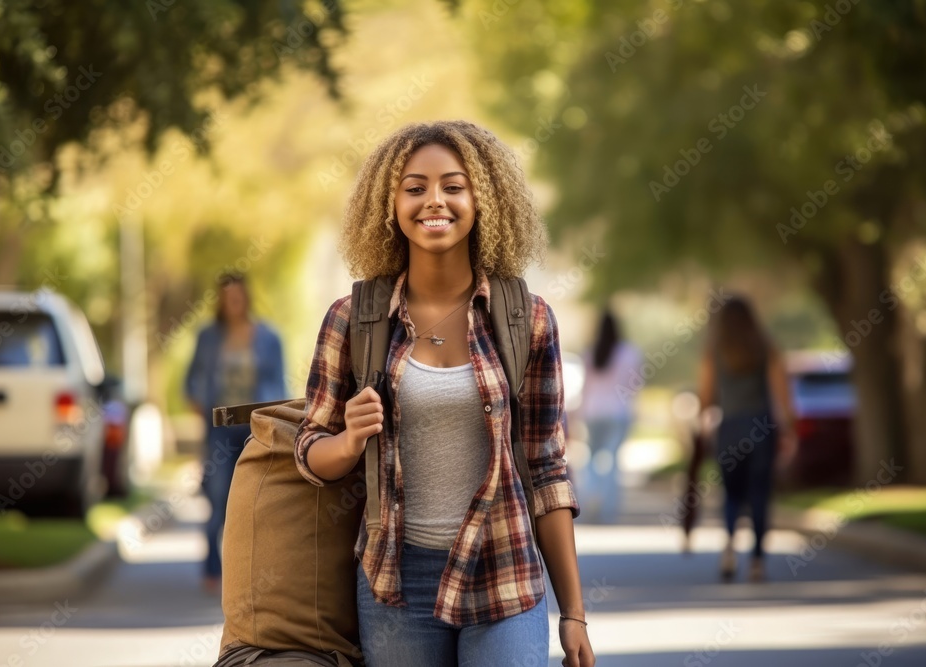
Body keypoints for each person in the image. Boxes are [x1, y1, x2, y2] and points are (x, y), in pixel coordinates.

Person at [293, 121, 595, 667]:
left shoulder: (528, 321)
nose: (435, 201)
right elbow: (311, 447)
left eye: (454, 186)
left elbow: (548, 469)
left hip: (503, 570)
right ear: (389, 204)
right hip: (395, 584)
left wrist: (573, 612)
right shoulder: (353, 319)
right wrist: (350, 440)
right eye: (415, 188)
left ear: (484, 199)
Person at [185, 273, 286, 593]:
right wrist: (199, 404)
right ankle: (213, 571)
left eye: (238, 297)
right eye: (227, 298)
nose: (233, 303)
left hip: (253, 426)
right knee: (218, 498)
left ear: (246, 297)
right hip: (219, 428)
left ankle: (249, 572)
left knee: (254, 501)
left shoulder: (269, 337)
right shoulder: (208, 337)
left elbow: (280, 385)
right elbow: (191, 380)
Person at [697, 296, 797, 583]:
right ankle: (757, 562)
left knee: (731, 494)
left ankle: (729, 547)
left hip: (729, 428)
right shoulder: (765, 346)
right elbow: (782, 390)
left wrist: (702, 423)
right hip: (762, 428)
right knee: (759, 495)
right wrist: (791, 426)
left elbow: (705, 396)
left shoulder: (715, 350)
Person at [575, 309, 641, 524]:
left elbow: (585, 387)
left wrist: (579, 414)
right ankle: (608, 508)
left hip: (593, 412)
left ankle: (589, 499)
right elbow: (635, 385)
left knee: (592, 460)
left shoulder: (591, 352)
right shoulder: (630, 353)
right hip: (618, 413)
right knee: (613, 461)